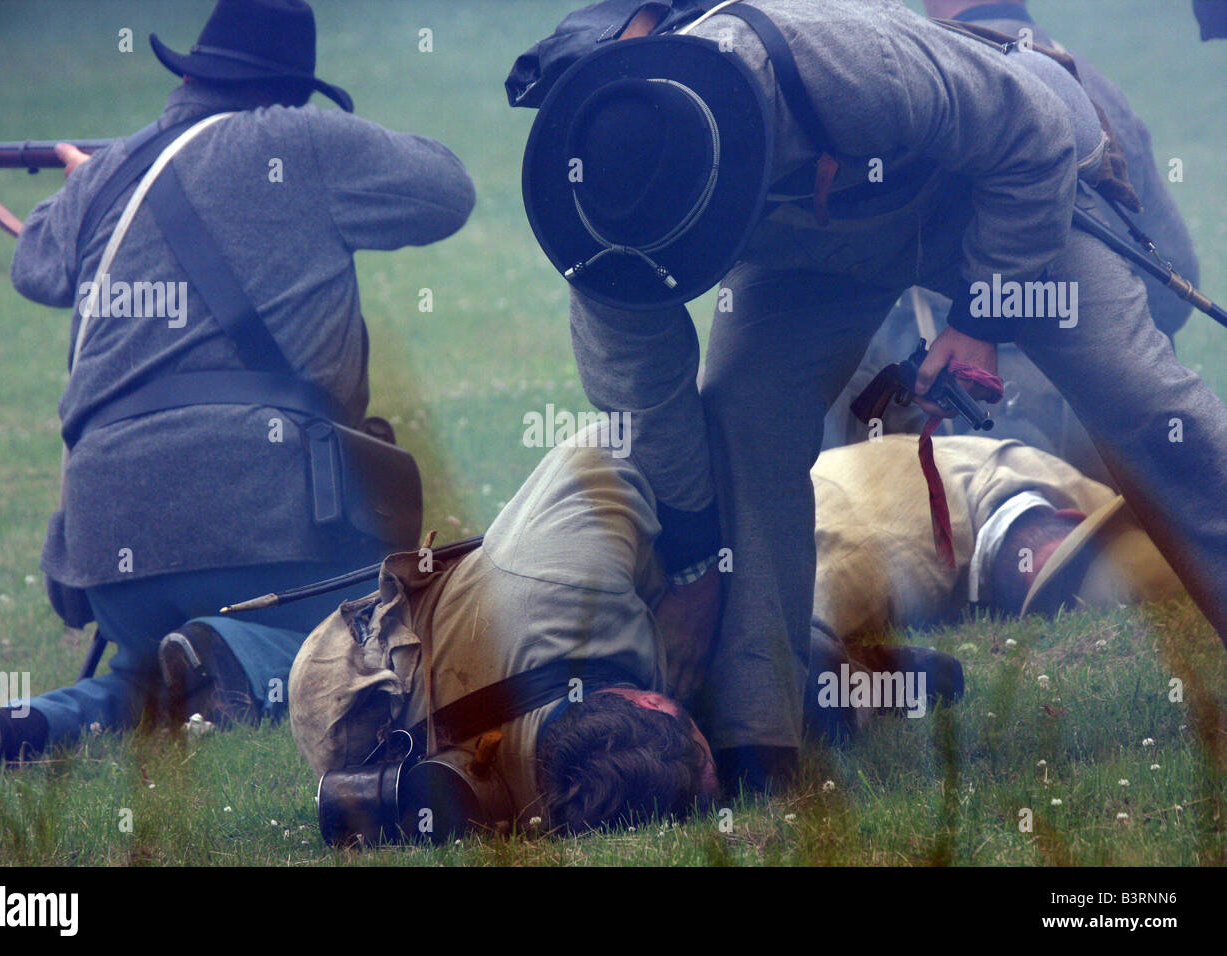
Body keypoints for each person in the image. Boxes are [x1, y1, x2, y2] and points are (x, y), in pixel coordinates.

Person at [516, 0, 1227, 792]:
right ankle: (762, 740)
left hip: (994, 199)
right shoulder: (602, 222)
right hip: (808, 259)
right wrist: (692, 554)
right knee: (745, 429)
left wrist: (982, 316)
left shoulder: (833, 59)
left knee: (1146, 405)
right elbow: (643, 397)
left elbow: (1033, 133)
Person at [0, 0, 475, 775]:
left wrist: (96, 182)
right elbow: (447, 188)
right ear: (287, 92)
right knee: (382, 645)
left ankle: (28, 726)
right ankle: (239, 661)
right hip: (270, 539)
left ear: (187, 71)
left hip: (112, 562)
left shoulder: (107, 178)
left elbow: (37, 265)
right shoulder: (299, 139)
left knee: (142, 676)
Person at [288, 424, 960, 832]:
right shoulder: (562, 796)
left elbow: (619, 438)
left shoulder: (563, 573)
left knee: (768, 669)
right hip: (398, 695)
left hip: (392, 659)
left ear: (647, 698)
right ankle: (847, 678)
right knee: (784, 699)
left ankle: (840, 673)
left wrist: (698, 569)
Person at [824, 0, 1201, 479]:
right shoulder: (1094, 81)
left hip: (985, 408)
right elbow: (1176, 281)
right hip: (1114, 424)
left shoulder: (930, 81)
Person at [810, 434, 1185, 643]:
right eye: (1067, 565)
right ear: (1072, 517)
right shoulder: (900, 553)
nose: (1033, 582)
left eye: (1052, 604)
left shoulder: (1079, 497)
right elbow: (803, 641)